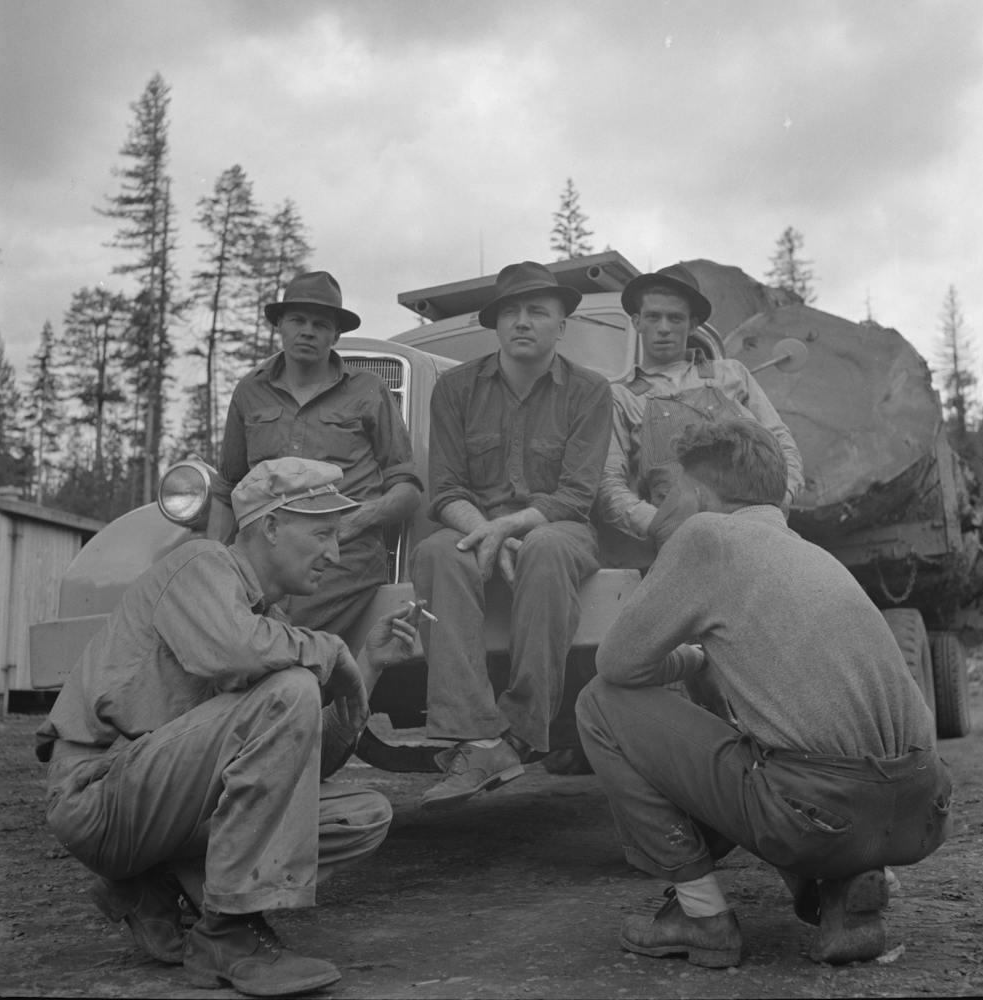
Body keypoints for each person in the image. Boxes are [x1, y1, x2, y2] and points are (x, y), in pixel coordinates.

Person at [36, 458, 420, 997]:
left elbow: (303, 764)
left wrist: (369, 665)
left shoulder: (268, 623)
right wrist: (329, 650)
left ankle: (154, 882)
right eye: (323, 535)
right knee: (291, 688)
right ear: (271, 526)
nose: (335, 554)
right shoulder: (200, 564)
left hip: (161, 800)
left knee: (362, 814)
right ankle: (228, 934)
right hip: (98, 794)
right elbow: (239, 652)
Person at [577, 420, 951, 968]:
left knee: (599, 702)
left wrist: (690, 658)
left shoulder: (706, 536)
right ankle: (841, 890)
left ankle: (701, 916)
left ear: (700, 494)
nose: (662, 510)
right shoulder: (811, 554)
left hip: (818, 810)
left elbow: (616, 664)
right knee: (784, 750)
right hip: (922, 808)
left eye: (669, 492)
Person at [411, 260, 613, 809]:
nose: (522, 322)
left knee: (545, 549)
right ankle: (476, 738)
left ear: (561, 325)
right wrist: (487, 532)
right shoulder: (455, 389)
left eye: (537, 312)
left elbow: (576, 495)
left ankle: (521, 733)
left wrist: (507, 528)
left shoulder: (590, 391)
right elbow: (445, 491)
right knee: (437, 553)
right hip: (475, 527)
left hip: (558, 527)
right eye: (511, 312)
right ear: (496, 324)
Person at [207, 270, 422, 645]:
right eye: (297, 320)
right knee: (205, 619)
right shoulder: (249, 392)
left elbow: (408, 491)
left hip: (339, 553)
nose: (307, 332)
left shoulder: (369, 391)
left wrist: (353, 522)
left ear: (336, 335)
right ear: (280, 325)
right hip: (265, 553)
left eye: (321, 325)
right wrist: (214, 566)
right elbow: (228, 491)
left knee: (275, 634)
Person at [596, 262, 805, 555]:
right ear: (636, 321)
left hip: (758, 532)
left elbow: (782, 444)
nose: (664, 328)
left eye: (675, 318)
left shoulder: (731, 374)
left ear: (693, 325)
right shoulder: (620, 397)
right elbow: (608, 485)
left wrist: (780, 501)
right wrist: (661, 525)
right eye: (653, 317)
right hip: (678, 546)